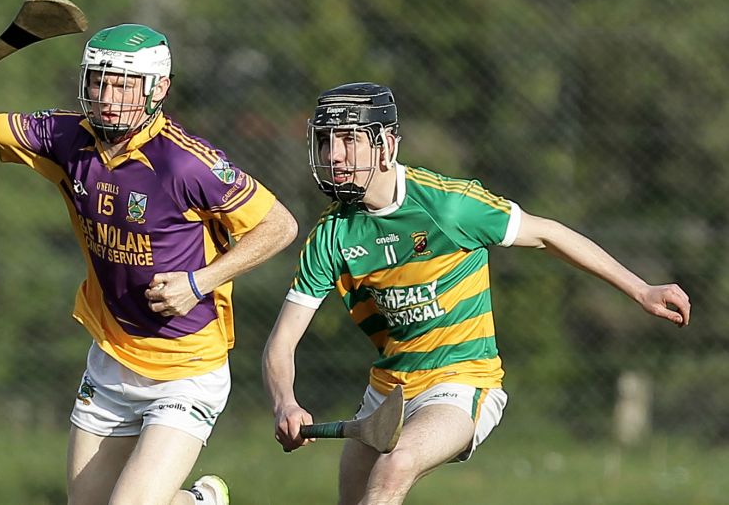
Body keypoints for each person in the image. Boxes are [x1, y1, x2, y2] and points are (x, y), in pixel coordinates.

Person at [261, 82, 691, 504]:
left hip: (461, 383)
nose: (333, 154)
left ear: (386, 145)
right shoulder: (331, 235)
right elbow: (281, 344)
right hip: (386, 392)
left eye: (349, 139)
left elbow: (549, 235)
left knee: (396, 466)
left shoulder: (448, 205)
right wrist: (285, 403)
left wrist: (640, 289)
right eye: (325, 141)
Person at [0, 23, 298, 505]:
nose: (107, 96)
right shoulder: (65, 136)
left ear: (158, 90)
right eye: (98, 81)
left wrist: (198, 282)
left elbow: (280, 226)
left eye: (124, 85)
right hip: (111, 360)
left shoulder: (186, 164)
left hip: (186, 368)